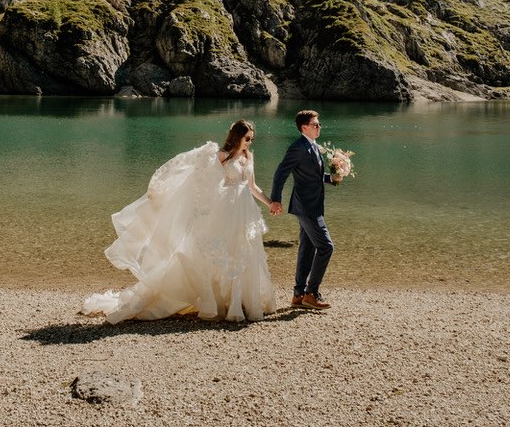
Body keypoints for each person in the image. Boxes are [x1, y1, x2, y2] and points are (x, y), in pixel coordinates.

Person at [82, 120, 276, 323]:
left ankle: (244, 302)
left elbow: (252, 187)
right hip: (227, 211)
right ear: (237, 137)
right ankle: (224, 304)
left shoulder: (248, 156)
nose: (249, 143)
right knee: (223, 256)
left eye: (252, 139)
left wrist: (270, 203)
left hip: (246, 212)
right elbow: (202, 180)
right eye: (247, 139)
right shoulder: (222, 156)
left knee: (246, 252)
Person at [269, 110, 341, 310]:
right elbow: (280, 174)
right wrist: (275, 199)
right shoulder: (298, 148)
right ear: (304, 128)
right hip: (306, 207)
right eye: (315, 124)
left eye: (319, 124)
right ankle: (311, 292)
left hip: (313, 205)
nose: (319, 127)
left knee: (307, 249)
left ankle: (298, 295)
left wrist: (332, 178)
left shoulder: (313, 147)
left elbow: (315, 176)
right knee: (326, 247)